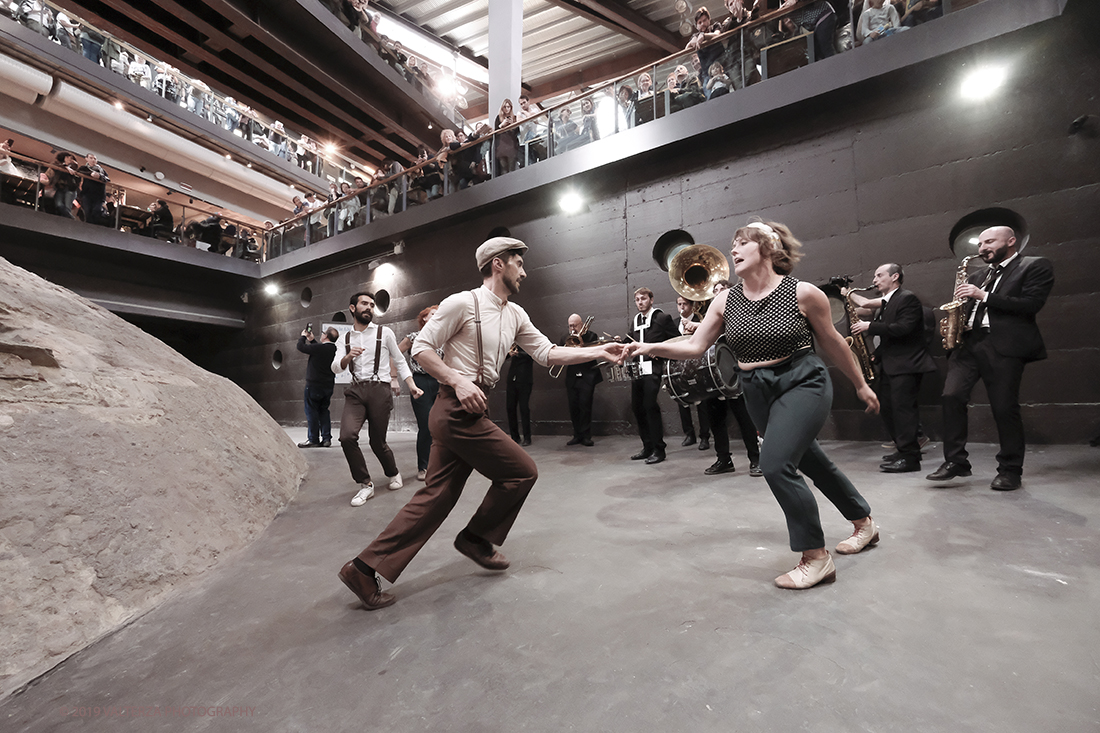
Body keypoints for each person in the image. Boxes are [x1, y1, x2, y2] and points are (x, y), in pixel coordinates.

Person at [337, 236, 624, 611]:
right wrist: (457, 380)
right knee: (522, 472)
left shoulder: (515, 313)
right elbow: (422, 348)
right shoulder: (463, 303)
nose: (525, 270)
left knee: (434, 498)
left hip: (473, 407)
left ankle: (362, 569)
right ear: (498, 264)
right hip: (455, 407)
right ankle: (475, 539)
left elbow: (547, 352)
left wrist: (598, 351)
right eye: (519, 263)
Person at [624, 220, 880, 590]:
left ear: (768, 248)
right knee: (810, 461)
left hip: (802, 381)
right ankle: (864, 522)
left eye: (743, 242)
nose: (734, 249)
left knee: (775, 464)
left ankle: (815, 556)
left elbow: (835, 343)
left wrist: (860, 384)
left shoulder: (803, 294)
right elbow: (695, 347)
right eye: (733, 244)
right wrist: (648, 347)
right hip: (755, 388)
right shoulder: (725, 300)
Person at [927, 226, 1055, 491]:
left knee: (1004, 408)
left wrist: (983, 295)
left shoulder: (1034, 266)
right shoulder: (979, 274)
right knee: (951, 396)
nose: (982, 248)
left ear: (1011, 241)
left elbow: (1031, 304)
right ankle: (956, 461)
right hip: (968, 345)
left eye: (989, 242)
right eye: (980, 243)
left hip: (1003, 345)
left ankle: (1010, 470)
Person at [332, 291, 424, 507]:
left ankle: (393, 472)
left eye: (372, 305)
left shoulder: (385, 332)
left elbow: (400, 361)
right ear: (353, 308)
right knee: (346, 437)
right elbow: (335, 367)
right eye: (364, 304)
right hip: (355, 391)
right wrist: (347, 357)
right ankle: (365, 484)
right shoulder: (345, 338)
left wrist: (411, 385)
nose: (369, 308)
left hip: (380, 390)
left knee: (377, 441)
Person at [847, 263, 937, 473]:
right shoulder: (887, 303)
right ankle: (903, 449)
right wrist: (873, 356)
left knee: (903, 411)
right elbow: (890, 340)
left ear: (894, 276)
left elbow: (904, 329)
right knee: (888, 408)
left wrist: (870, 326)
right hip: (891, 365)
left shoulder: (907, 298)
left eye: (879, 275)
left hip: (906, 365)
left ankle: (910, 458)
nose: (875, 280)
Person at [702, 279, 762, 476]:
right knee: (716, 420)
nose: (718, 292)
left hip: (736, 374)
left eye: (722, 289)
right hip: (714, 375)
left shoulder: (739, 311)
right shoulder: (709, 315)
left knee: (745, 419)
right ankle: (723, 460)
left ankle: (756, 460)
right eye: (715, 290)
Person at [627, 287, 679, 464]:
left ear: (651, 299)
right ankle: (647, 447)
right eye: (637, 300)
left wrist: (661, 352)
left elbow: (677, 340)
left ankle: (659, 449)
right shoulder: (635, 321)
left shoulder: (662, 318)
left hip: (653, 370)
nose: (640, 302)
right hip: (637, 370)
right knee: (637, 408)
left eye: (643, 299)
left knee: (650, 406)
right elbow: (631, 341)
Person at [398, 305, 443, 481]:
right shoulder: (413, 337)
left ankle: (439, 464)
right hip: (420, 381)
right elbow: (395, 354)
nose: (437, 316)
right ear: (424, 318)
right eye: (433, 314)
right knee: (426, 425)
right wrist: (395, 377)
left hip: (440, 382)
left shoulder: (443, 339)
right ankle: (423, 467)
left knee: (440, 424)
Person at [674, 295, 710, 449]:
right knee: (683, 401)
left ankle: (704, 436)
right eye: (679, 304)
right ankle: (689, 434)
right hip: (680, 367)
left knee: (702, 402)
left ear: (692, 306)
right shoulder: (675, 323)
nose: (682, 307)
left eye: (685, 304)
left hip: (696, 365)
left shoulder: (699, 319)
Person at [562, 313, 602, 447]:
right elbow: (561, 354)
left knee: (585, 405)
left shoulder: (591, 335)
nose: (572, 328)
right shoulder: (565, 337)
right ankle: (577, 435)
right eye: (570, 326)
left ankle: (586, 436)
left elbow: (594, 353)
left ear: (581, 324)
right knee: (573, 406)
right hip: (572, 376)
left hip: (587, 375)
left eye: (575, 325)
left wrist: (582, 342)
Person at [296, 325, 338, 448]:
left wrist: (303, 337)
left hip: (314, 385)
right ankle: (326, 438)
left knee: (311, 411)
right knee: (324, 411)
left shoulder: (320, 348)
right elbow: (317, 350)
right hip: (328, 386)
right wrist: (312, 340)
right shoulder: (334, 350)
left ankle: (313, 439)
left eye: (323, 333)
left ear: (325, 336)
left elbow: (301, 347)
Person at [505, 344, 534, 446]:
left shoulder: (527, 343)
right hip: (512, 378)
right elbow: (504, 357)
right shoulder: (513, 343)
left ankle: (527, 437)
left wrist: (518, 354)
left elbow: (532, 355)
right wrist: (510, 353)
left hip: (525, 379)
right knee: (510, 407)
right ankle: (515, 437)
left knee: (524, 408)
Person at [76, 153, 110, 225]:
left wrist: (99, 176)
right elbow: (79, 172)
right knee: (87, 211)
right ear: (86, 159)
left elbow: (107, 179)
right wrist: (90, 174)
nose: (93, 160)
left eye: (95, 158)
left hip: (99, 195)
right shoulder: (84, 168)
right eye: (91, 158)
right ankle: (89, 226)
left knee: (96, 210)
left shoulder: (102, 170)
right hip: (87, 193)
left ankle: (95, 226)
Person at [494, 98, 520, 175]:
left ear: (511, 108)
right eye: (505, 107)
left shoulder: (514, 118)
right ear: (502, 108)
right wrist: (502, 125)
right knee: (503, 168)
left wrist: (512, 125)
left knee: (511, 167)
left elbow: (517, 132)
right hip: (501, 146)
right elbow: (495, 131)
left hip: (511, 145)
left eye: (508, 107)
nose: (507, 109)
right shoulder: (499, 118)